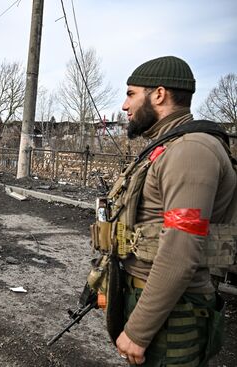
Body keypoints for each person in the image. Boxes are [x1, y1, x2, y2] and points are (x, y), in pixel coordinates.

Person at [92, 56, 235, 366]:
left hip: (176, 312)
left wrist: (140, 331)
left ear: (159, 94)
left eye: (131, 94)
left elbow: (181, 251)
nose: (124, 105)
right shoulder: (168, 146)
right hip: (154, 300)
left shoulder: (190, 151)